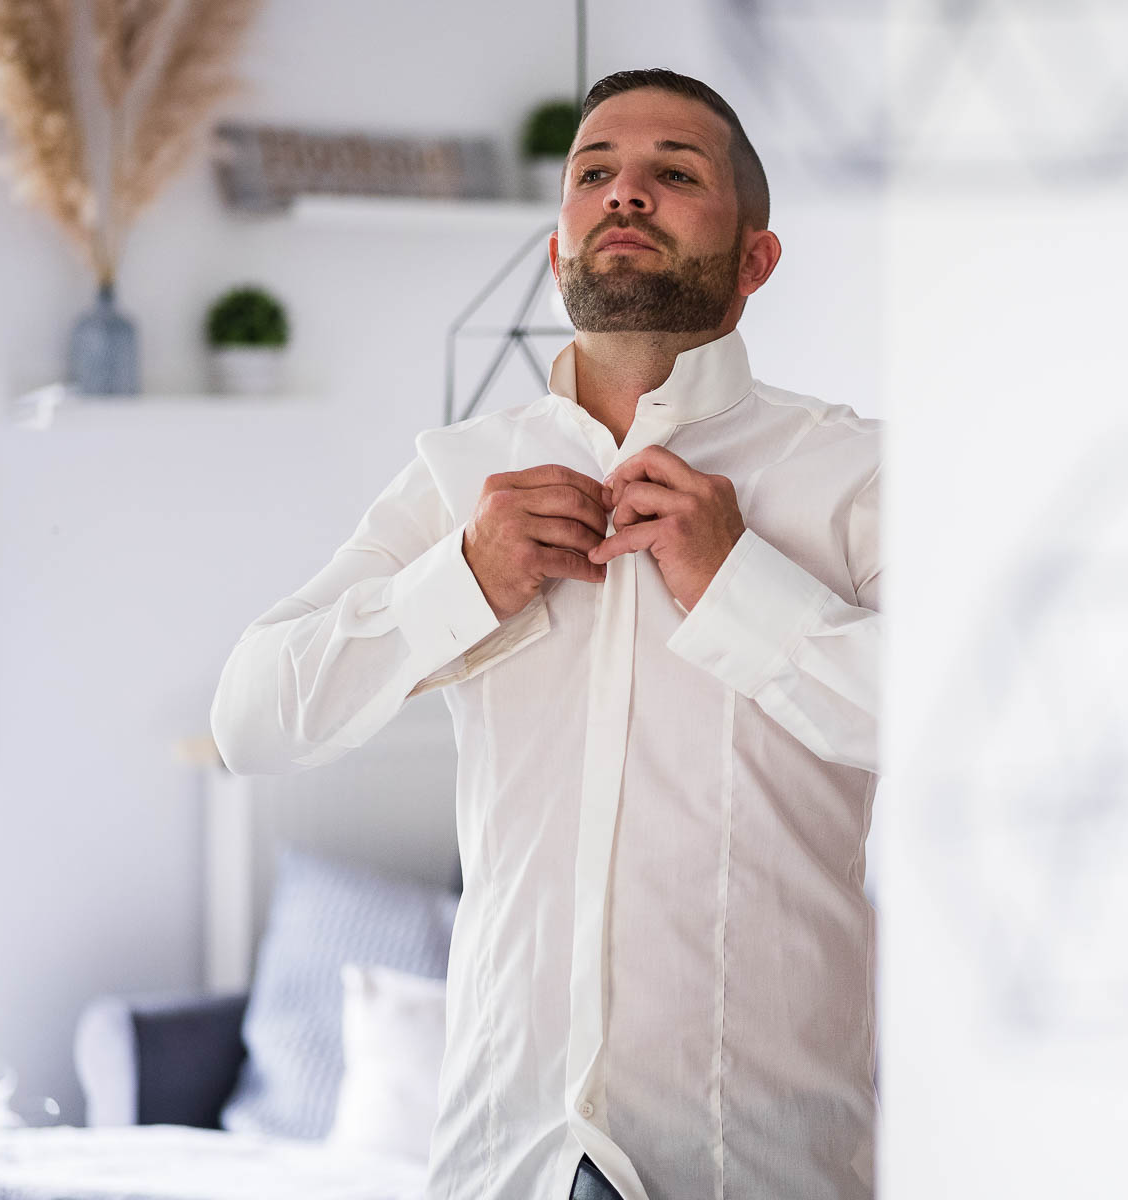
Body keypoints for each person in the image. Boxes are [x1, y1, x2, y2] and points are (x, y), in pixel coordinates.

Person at [209, 68, 882, 1200]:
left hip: (762, 1164)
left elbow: (957, 737)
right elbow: (250, 722)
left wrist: (740, 586)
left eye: (674, 173)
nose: (626, 193)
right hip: (500, 1159)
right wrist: (459, 578)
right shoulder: (457, 482)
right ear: (557, 246)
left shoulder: (854, 475)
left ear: (756, 260)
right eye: (594, 174)